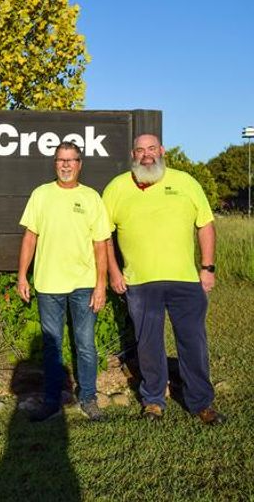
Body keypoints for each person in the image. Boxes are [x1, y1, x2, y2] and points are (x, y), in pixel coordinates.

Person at [103, 134, 225, 425]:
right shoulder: (117, 187)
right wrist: (113, 272)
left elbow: (205, 225)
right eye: (140, 150)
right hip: (140, 282)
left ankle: (200, 403)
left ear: (162, 151)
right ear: (133, 154)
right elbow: (103, 236)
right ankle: (154, 401)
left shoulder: (186, 182)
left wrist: (207, 268)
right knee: (148, 344)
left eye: (152, 149)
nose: (147, 155)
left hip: (185, 281)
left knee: (193, 342)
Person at [17, 142, 111, 422]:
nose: (66, 165)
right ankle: (51, 402)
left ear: (80, 164)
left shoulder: (92, 197)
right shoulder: (41, 195)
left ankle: (89, 399)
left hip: (84, 284)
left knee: (85, 344)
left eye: (71, 160)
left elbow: (101, 244)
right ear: (55, 163)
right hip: (48, 284)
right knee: (52, 346)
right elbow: (30, 237)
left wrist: (101, 284)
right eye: (61, 160)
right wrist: (22, 275)